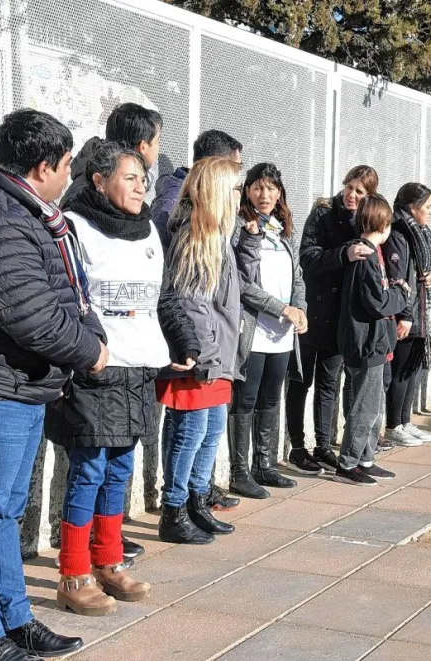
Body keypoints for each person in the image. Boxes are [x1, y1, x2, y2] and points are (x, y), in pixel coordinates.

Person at [0, 109, 99, 660]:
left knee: (1, 512)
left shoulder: (21, 208)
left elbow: (65, 295)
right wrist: (92, 351)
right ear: (41, 167)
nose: (69, 178)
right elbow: (31, 315)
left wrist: (90, 333)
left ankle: (13, 619)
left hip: (16, 384)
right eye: (65, 167)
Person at [46, 142, 192, 616]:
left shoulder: (149, 228)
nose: (140, 185)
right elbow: (65, 298)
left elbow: (163, 297)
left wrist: (183, 339)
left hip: (140, 367)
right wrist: (88, 350)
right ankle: (73, 573)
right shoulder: (75, 228)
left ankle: (108, 561)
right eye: (129, 177)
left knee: (120, 470)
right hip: (96, 367)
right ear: (98, 180)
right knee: (88, 470)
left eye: (142, 178)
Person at [156, 156, 249, 545]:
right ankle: (174, 509)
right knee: (190, 432)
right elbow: (191, 303)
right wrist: (209, 353)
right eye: (234, 187)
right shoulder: (195, 235)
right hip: (201, 359)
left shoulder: (219, 234)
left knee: (210, 432)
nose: (239, 195)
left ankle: (197, 500)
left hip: (218, 356)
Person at [287, 165, 379, 473]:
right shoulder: (322, 212)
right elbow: (308, 258)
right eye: (349, 187)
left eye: (360, 191)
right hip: (313, 312)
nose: (352, 195)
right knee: (301, 381)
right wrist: (344, 253)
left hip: (341, 319)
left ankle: (323, 446)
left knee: (330, 383)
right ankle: (297, 448)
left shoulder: (365, 222)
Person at [229, 164, 307, 495]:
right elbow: (242, 284)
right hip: (254, 330)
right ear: (248, 191)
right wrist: (281, 308)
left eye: (272, 188)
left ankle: (266, 465)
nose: (265, 195)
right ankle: (239, 471)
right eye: (258, 188)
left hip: (282, 334)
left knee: (271, 400)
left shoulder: (282, 229)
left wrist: (300, 308)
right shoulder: (240, 228)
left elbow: (297, 276)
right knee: (245, 400)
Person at [335, 195, 410, 485]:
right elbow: (376, 302)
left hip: (374, 341)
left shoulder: (370, 252)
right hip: (365, 342)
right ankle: (349, 461)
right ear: (383, 223)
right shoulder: (365, 255)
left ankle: (365, 458)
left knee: (375, 403)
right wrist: (401, 293)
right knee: (365, 406)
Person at [383, 183, 431, 446]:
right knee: (401, 371)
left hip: (425, 312)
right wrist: (406, 315)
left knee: (414, 371)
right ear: (413, 207)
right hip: (409, 313)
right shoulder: (400, 232)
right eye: (428, 207)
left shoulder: (423, 232)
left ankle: (405, 420)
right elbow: (399, 279)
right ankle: (393, 425)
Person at [152, 129, 243, 250]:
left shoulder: (205, 199)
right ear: (214, 168)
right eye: (235, 167)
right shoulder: (173, 204)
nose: (237, 175)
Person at [62, 103, 162, 208]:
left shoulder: (92, 175)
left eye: (140, 180)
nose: (139, 189)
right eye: (157, 141)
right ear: (143, 146)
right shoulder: (89, 201)